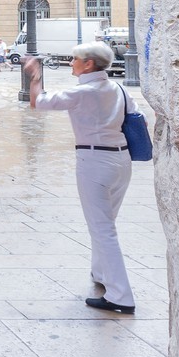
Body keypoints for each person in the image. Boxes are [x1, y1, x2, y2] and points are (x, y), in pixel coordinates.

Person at [25, 43, 137, 313]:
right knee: (106, 222)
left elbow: (37, 102)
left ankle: (120, 296)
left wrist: (36, 77)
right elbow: (136, 119)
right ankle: (101, 273)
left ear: (89, 64)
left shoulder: (82, 92)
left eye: (75, 59)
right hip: (121, 160)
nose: (71, 62)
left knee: (103, 228)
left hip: (94, 161)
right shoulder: (119, 89)